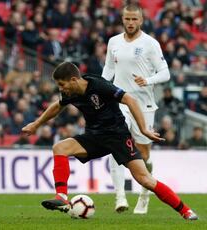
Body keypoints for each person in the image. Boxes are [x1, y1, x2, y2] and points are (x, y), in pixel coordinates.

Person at [21, 62, 198, 221]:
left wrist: (143, 129)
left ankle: (186, 211)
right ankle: (61, 196)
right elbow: (57, 106)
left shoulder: (99, 85)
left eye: (62, 84)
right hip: (94, 136)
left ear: (74, 79)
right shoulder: (71, 92)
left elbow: (130, 99)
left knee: (145, 180)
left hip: (118, 136)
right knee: (60, 147)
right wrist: (36, 124)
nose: (61, 89)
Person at [102, 4, 171, 214]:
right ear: (122, 19)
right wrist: (99, 90)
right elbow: (108, 70)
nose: (130, 23)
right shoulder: (113, 42)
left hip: (144, 105)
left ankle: (144, 193)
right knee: (115, 145)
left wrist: (148, 80)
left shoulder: (150, 43)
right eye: (127, 19)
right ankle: (120, 197)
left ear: (141, 20)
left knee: (144, 154)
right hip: (120, 102)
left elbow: (165, 73)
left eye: (134, 19)